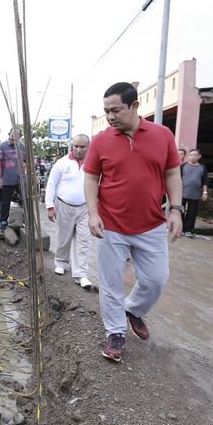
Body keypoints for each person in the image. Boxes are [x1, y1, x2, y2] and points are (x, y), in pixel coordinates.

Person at [84, 82, 183, 363]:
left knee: (156, 279)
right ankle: (115, 332)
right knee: (111, 283)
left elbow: (172, 174)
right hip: (111, 226)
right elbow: (91, 178)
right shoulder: (101, 140)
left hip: (151, 224)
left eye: (115, 110)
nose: (111, 116)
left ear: (135, 106)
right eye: (106, 111)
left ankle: (133, 310)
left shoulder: (162, 135)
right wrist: (93, 213)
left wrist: (175, 210)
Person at [45, 134, 96, 290]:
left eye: (82, 147)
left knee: (84, 240)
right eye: (76, 146)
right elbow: (51, 184)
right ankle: (61, 262)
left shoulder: (93, 163)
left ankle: (81, 274)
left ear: (89, 147)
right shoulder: (63, 163)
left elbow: (98, 183)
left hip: (85, 207)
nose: (78, 149)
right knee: (64, 237)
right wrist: (49, 206)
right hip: (64, 205)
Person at [0, 128, 26, 230]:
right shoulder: (3, 146)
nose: (14, 138)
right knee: (5, 201)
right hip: (6, 180)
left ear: (20, 137)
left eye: (16, 136)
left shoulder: (22, 147)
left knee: (25, 200)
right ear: (9, 135)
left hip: (19, 180)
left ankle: (25, 220)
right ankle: (3, 221)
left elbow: (27, 162)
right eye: (12, 135)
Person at [180, 148, 208, 237]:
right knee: (180, 211)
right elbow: (177, 179)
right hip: (182, 193)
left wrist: (205, 192)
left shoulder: (202, 167)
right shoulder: (183, 166)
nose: (192, 157)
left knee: (192, 213)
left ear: (199, 156)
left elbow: (204, 181)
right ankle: (180, 229)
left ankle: (188, 230)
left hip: (195, 194)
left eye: (195, 155)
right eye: (191, 155)